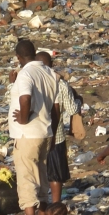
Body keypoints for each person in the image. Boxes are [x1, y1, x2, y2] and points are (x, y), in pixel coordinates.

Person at [8, 39, 57, 215]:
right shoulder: (48, 72)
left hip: (27, 134)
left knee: (27, 179)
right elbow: (53, 106)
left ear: (18, 57)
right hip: (45, 132)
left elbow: (26, 97)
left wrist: (23, 118)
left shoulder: (25, 73)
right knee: (42, 177)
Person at [38, 49, 83, 205]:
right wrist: (79, 101)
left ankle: (40, 206)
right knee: (55, 173)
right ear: (52, 65)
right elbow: (72, 110)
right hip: (56, 137)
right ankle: (56, 204)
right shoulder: (60, 84)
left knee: (38, 172)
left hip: (34, 135)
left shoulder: (30, 83)